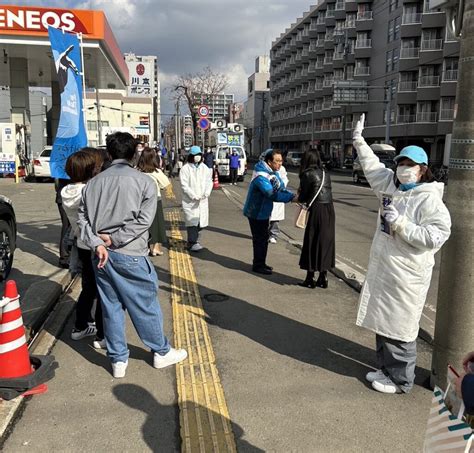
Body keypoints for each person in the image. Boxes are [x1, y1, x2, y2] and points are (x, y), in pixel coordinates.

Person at [352, 114, 451, 394]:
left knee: (401, 327)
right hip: (385, 269)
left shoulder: (429, 199)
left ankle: (401, 380)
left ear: (422, 169)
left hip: (408, 274)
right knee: (382, 322)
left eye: (410, 165)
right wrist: (359, 140)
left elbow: (436, 237)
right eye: (400, 164)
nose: (403, 169)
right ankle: (384, 370)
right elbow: (372, 167)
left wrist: (401, 224)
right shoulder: (391, 186)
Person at [77, 132, 187, 378]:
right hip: (131, 253)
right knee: (145, 304)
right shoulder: (144, 181)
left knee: (111, 306)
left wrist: (98, 243)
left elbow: (82, 219)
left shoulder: (93, 183)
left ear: (109, 152)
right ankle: (161, 351)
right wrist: (114, 239)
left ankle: (118, 360)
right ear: (133, 153)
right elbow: (144, 221)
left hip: (101, 255)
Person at [61, 149, 105, 348]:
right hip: (96, 245)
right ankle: (102, 335)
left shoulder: (66, 191)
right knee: (104, 290)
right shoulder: (88, 192)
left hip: (82, 244)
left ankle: (80, 326)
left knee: (89, 288)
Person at [243, 149, 295, 275]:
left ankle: (261, 262)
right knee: (260, 239)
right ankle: (258, 265)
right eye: (277, 161)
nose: (280, 164)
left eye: (281, 161)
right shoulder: (261, 176)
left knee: (263, 238)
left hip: (264, 211)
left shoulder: (272, 172)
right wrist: (292, 198)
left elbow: (281, 187)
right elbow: (271, 194)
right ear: (269, 162)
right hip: (256, 212)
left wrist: (291, 195)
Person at [297, 148, 335, 288]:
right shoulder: (326, 173)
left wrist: (298, 196)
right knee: (325, 242)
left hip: (317, 210)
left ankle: (309, 277)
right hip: (329, 209)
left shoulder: (307, 174)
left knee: (311, 241)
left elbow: (303, 197)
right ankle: (323, 277)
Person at [179, 145, 213, 252]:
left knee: (200, 223)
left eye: (199, 155)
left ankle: (194, 240)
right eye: (195, 155)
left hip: (202, 200)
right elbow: (184, 185)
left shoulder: (204, 168)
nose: (197, 157)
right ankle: (192, 242)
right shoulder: (185, 169)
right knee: (192, 222)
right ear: (191, 156)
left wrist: (206, 193)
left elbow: (209, 181)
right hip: (190, 201)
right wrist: (193, 195)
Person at [136, 147, 169, 256]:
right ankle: (155, 248)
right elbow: (166, 184)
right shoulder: (156, 171)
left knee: (143, 224)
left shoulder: (137, 170)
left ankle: (145, 247)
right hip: (155, 200)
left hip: (140, 201)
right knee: (157, 224)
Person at [269, 161, 289, 244]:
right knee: (264, 217)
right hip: (267, 195)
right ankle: (264, 234)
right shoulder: (265, 169)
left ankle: (273, 235)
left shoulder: (281, 169)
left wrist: (279, 185)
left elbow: (285, 180)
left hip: (277, 196)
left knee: (275, 218)